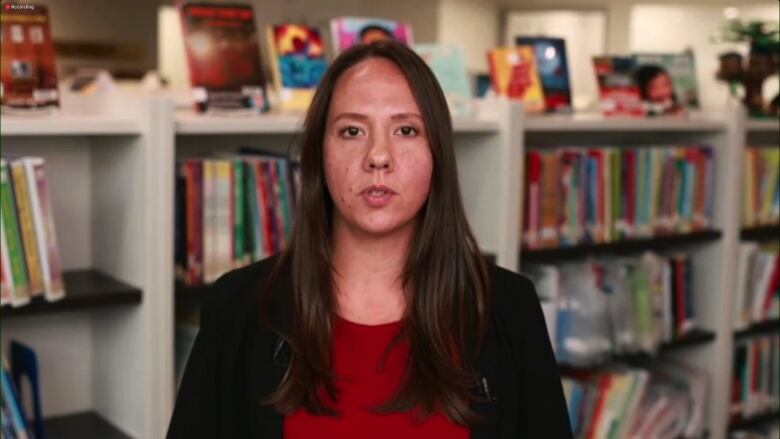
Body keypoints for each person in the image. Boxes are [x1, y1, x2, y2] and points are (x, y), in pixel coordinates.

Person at [167, 40, 571, 439]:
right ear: (319, 154)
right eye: (352, 131)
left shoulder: (508, 308)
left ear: (438, 155)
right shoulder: (239, 307)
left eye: (406, 130)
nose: (379, 156)